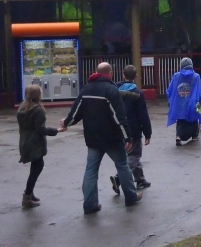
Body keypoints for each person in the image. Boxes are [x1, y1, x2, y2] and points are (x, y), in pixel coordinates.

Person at [59, 62, 141, 214]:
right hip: (112, 138)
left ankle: (90, 205)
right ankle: (130, 197)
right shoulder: (111, 90)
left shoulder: (86, 89)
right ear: (110, 74)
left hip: (93, 138)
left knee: (91, 170)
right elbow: (119, 117)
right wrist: (128, 137)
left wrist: (67, 123)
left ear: (96, 72)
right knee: (122, 166)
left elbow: (76, 111)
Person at [112, 65, 152, 194]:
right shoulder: (138, 93)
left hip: (118, 127)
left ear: (123, 75)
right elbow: (143, 115)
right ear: (135, 77)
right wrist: (147, 133)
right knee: (135, 154)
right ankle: (119, 178)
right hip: (133, 128)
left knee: (131, 154)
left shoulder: (115, 90)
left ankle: (140, 180)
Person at [17, 85, 58, 208]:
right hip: (34, 142)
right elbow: (40, 129)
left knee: (35, 166)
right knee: (37, 167)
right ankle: (27, 196)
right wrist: (56, 130)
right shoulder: (38, 110)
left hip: (25, 140)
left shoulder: (22, 108)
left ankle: (30, 193)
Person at [166, 57, 201, 145]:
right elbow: (199, 91)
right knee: (194, 119)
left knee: (180, 121)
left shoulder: (176, 76)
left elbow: (170, 90)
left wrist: (171, 101)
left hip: (179, 103)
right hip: (193, 103)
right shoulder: (196, 76)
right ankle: (195, 136)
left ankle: (178, 136)